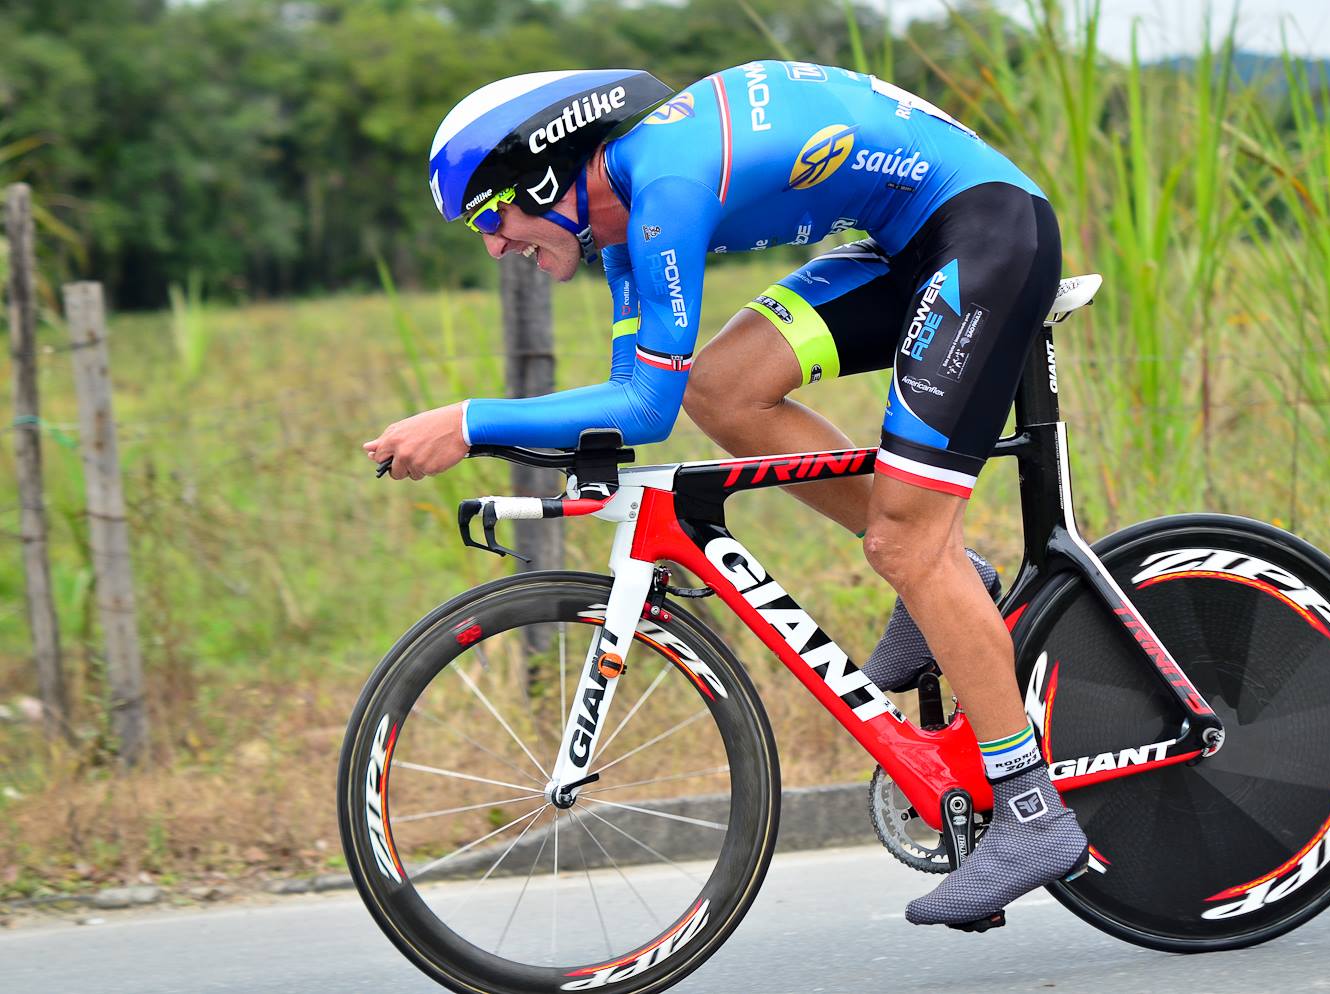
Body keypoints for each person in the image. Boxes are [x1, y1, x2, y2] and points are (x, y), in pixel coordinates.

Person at [364, 62, 1085, 930]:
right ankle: (953, 571)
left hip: (986, 233)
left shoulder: (664, 184)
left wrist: (468, 422)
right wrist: (489, 428)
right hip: (908, 242)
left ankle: (1029, 808)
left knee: (904, 541)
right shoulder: (625, 219)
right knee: (724, 388)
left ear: (548, 174)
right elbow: (652, 391)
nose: (493, 244)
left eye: (491, 215)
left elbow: (641, 409)